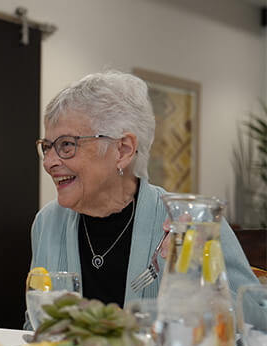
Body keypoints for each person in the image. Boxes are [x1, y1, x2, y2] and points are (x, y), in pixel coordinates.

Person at [27, 70, 258, 328]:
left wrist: (202, 271)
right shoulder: (47, 223)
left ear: (123, 150)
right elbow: (36, 326)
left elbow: (257, 325)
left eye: (66, 145)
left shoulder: (191, 222)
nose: (49, 162)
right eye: (47, 147)